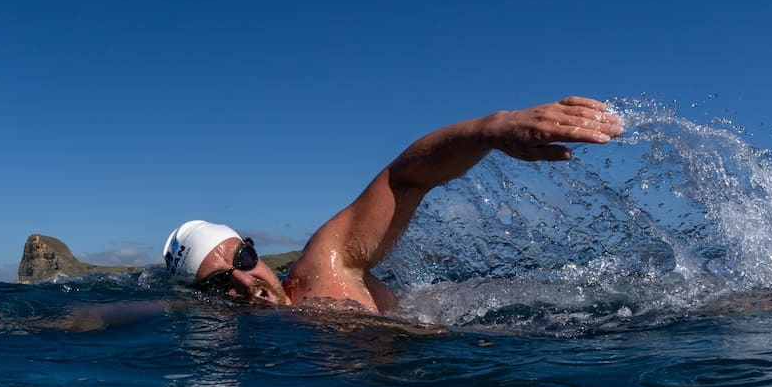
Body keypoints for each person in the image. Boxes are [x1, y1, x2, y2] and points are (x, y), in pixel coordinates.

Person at [163, 96, 625, 313]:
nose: (245, 280)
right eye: (221, 281)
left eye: (242, 258)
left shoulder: (324, 267)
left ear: (252, 248)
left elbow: (403, 178)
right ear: (205, 301)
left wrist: (493, 128)